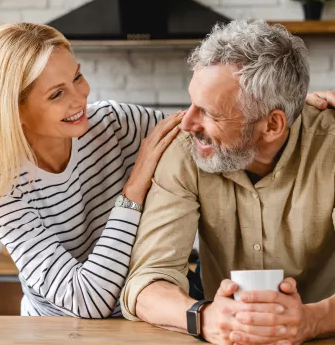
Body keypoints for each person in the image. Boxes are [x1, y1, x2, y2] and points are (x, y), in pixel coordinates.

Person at [0, 21, 328, 319]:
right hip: (58, 327)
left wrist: (289, 106)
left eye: (78, 77)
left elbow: (213, 127)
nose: (80, 97)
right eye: (56, 94)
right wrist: (133, 191)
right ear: (13, 110)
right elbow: (87, 301)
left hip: (141, 321)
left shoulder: (113, 123)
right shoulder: (2, 191)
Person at [121, 19, 335, 344]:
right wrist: (203, 318)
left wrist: (313, 321)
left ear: (273, 125)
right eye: (191, 102)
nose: (188, 122)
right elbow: (146, 284)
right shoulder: (185, 150)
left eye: (209, 112)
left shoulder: (330, 146)